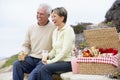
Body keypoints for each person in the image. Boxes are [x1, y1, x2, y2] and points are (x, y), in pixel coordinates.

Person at [27, 7, 75, 80]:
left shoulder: (68, 30)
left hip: (67, 63)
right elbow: (54, 49)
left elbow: (65, 51)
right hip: (58, 61)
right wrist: (48, 56)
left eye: (54, 16)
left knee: (44, 69)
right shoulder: (55, 31)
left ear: (62, 18)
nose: (52, 19)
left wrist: (51, 61)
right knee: (40, 67)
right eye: (52, 17)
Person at [13, 3, 56, 80]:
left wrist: (49, 56)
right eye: (37, 13)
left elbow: (56, 47)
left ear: (48, 15)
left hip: (45, 60)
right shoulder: (31, 28)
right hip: (32, 58)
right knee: (17, 64)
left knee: (32, 77)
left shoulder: (54, 28)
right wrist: (23, 52)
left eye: (42, 14)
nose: (38, 16)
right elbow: (26, 45)